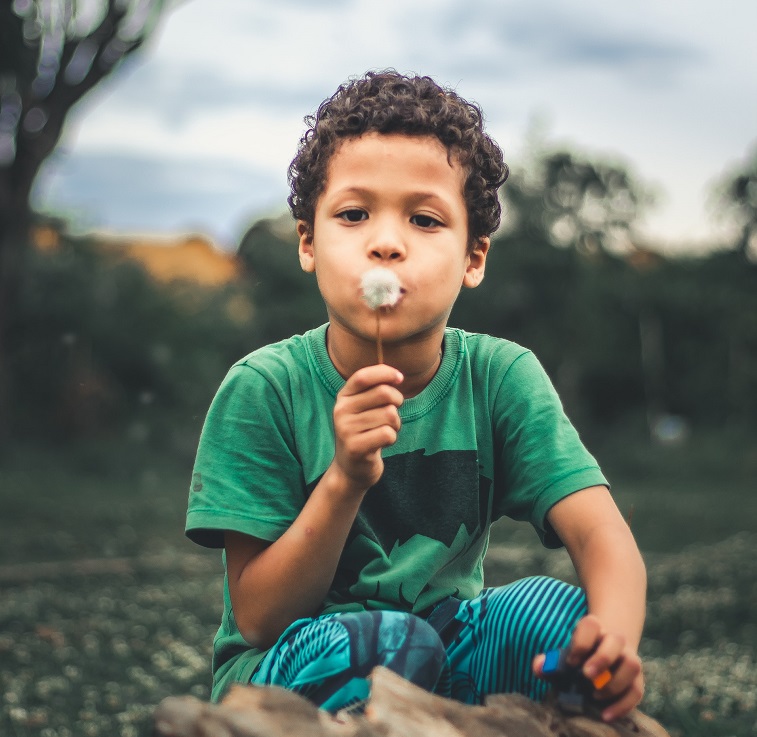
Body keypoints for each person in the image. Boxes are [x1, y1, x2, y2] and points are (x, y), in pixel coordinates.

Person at [185, 70, 646, 722]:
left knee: (557, 618)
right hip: (288, 669)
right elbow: (259, 616)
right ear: (308, 242)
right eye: (352, 214)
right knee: (391, 643)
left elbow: (600, 533)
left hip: (445, 647)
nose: (385, 242)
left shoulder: (499, 377)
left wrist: (613, 640)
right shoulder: (264, 389)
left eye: (424, 219)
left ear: (473, 257)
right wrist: (343, 479)